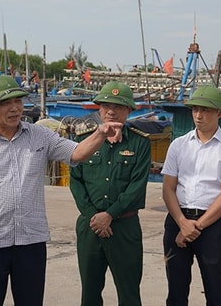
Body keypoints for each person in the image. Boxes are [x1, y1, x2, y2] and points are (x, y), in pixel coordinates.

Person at [0, 75, 123, 306]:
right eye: (6, 103)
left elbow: (77, 153)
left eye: (18, 102)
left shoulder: (40, 135)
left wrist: (101, 133)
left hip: (30, 241)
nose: (15, 108)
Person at [161, 85, 221, 306]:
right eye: (195, 109)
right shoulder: (178, 145)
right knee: (176, 289)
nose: (199, 115)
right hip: (177, 220)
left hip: (212, 225)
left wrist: (194, 227)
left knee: (215, 288)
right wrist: (181, 223)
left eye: (206, 110)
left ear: (219, 113)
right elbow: (168, 188)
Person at [69, 81, 151, 306]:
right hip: (90, 226)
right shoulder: (83, 140)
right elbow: (76, 182)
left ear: (129, 110)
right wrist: (93, 216)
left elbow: (136, 186)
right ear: (99, 109)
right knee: (90, 293)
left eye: (118, 106)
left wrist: (110, 215)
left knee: (129, 294)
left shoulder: (140, 143)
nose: (111, 111)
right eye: (105, 105)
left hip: (124, 227)